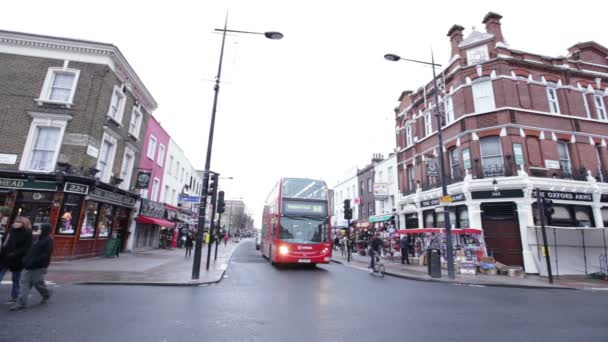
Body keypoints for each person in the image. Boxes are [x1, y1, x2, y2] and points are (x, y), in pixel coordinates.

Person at [10, 223, 53, 311]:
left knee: (38, 283)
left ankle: (46, 294)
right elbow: (30, 251)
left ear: (45, 230)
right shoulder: (37, 239)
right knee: (24, 283)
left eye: (41, 228)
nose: (39, 230)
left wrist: (35, 261)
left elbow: (46, 255)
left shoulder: (48, 240)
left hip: (39, 266)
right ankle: (21, 303)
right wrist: (26, 260)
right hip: (28, 265)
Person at [0, 216, 33, 304]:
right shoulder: (10, 231)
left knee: (16, 279)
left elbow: (26, 248)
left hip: (17, 260)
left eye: (18, 222)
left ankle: (15, 296)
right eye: (15, 222)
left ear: (24, 224)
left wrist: (14, 254)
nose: (15, 223)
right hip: (4, 258)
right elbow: (4, 243)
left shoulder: (27, 233)